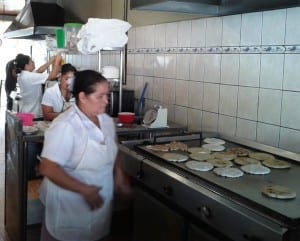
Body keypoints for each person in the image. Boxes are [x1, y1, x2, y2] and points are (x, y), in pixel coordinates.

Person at [39, 70, 132, 241]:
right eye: (100, 96)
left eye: (107, 95)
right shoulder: (66, 125)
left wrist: (119, 175)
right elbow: (48, 168)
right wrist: (84, 190)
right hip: (68, 212)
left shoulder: (105, 120)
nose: (106, 101)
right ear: (82, 97)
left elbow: (113, 149)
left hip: (99, 210)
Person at [14, 53, 62, 117]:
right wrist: (57, 61)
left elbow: (39, 71)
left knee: (25, 126)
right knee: (30, 127)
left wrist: (50, 62)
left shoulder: (22, 75)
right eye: (31, 61)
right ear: (26, 66)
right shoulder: (29, 76)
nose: (33, 62)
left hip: (25, 111)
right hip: (32, 113)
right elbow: (53, 76)